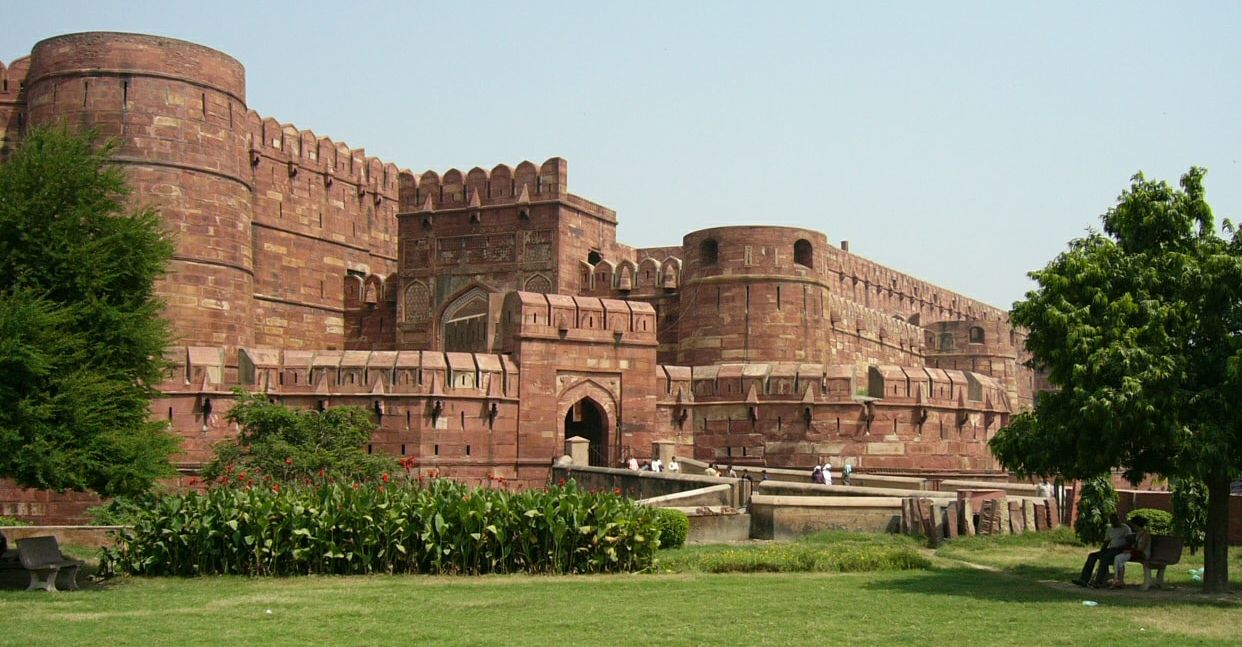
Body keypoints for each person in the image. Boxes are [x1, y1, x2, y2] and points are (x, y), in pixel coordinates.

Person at [1072, 513, 1132, 587]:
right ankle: (1084, 579)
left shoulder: (1125, 528)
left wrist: (1121, 548)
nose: (1114, 522)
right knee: (1092, 556)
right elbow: (1106, 542)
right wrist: (1102, 551)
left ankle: (1098, 581)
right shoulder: (1109, 529)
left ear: (1118, 520)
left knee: (1105, 558)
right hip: (1111, 549)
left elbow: (1129, 542)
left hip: (1120, 550)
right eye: (1112, 521)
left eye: (1116, 520)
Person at [1112, 516, 1151, 588]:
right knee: (1118, 558)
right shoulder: (1138, 533)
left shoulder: (1145, 534)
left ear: (1136, 525)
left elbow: (1142, 549)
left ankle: (1117, 580)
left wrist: (1130, 551)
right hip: (1134, 552)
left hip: (1143, 554)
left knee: (1119, 558)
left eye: (1133, 525)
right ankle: (1118, 579)